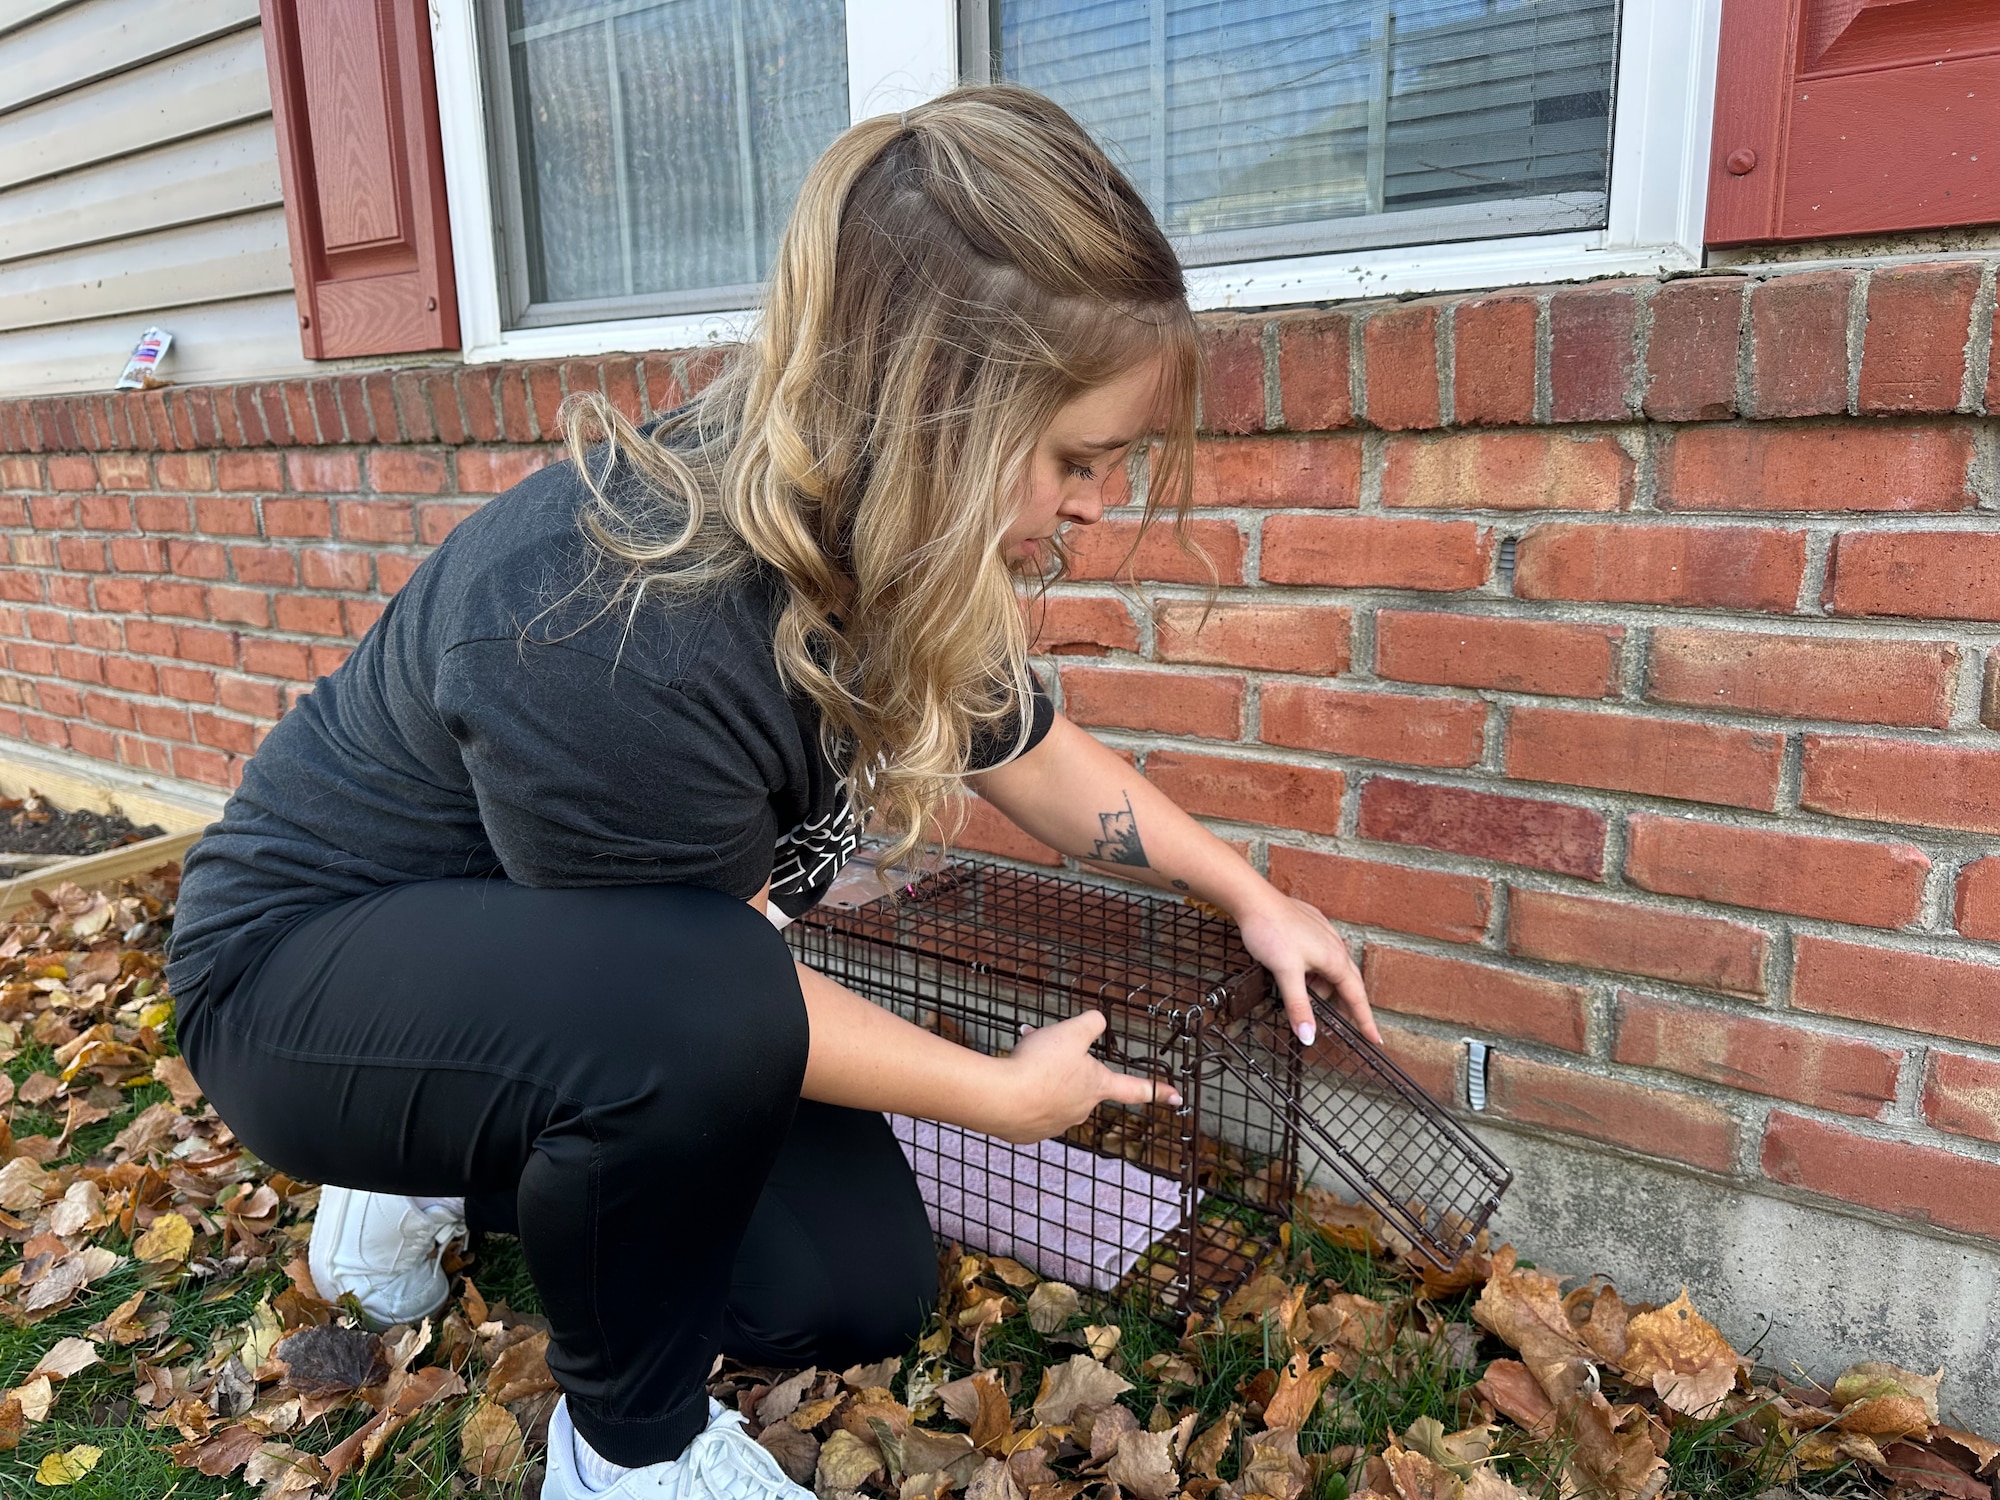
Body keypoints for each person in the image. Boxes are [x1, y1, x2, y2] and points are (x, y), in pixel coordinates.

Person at [164, 85, 1376, 1500]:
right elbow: (710, 991)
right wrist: (998, 1094)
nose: (1098, 505)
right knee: (703, 1005)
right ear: (935, 416)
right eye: (1071, 461)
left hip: (602, 986)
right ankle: (624, 1446)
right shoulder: (613, 621)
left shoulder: (891, 552)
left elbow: (1035, 757)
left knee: (855, 1287)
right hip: (305, 989)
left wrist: (1254, 894)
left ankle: (503, 1166)